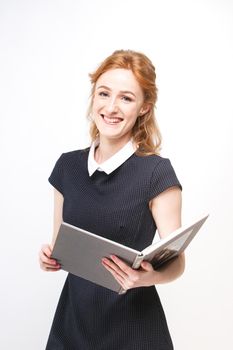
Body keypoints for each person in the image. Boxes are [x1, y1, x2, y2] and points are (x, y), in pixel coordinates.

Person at [39, 49, 185, 350]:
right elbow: (60, 244)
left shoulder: (156, 172)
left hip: (135, 332)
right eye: (104, 93)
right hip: (72, 328)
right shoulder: (67, 167)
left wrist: (145, 279)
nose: (111, 107)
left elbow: (177, 262)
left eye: (127, 98)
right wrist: (48, 258)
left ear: (144, 107)